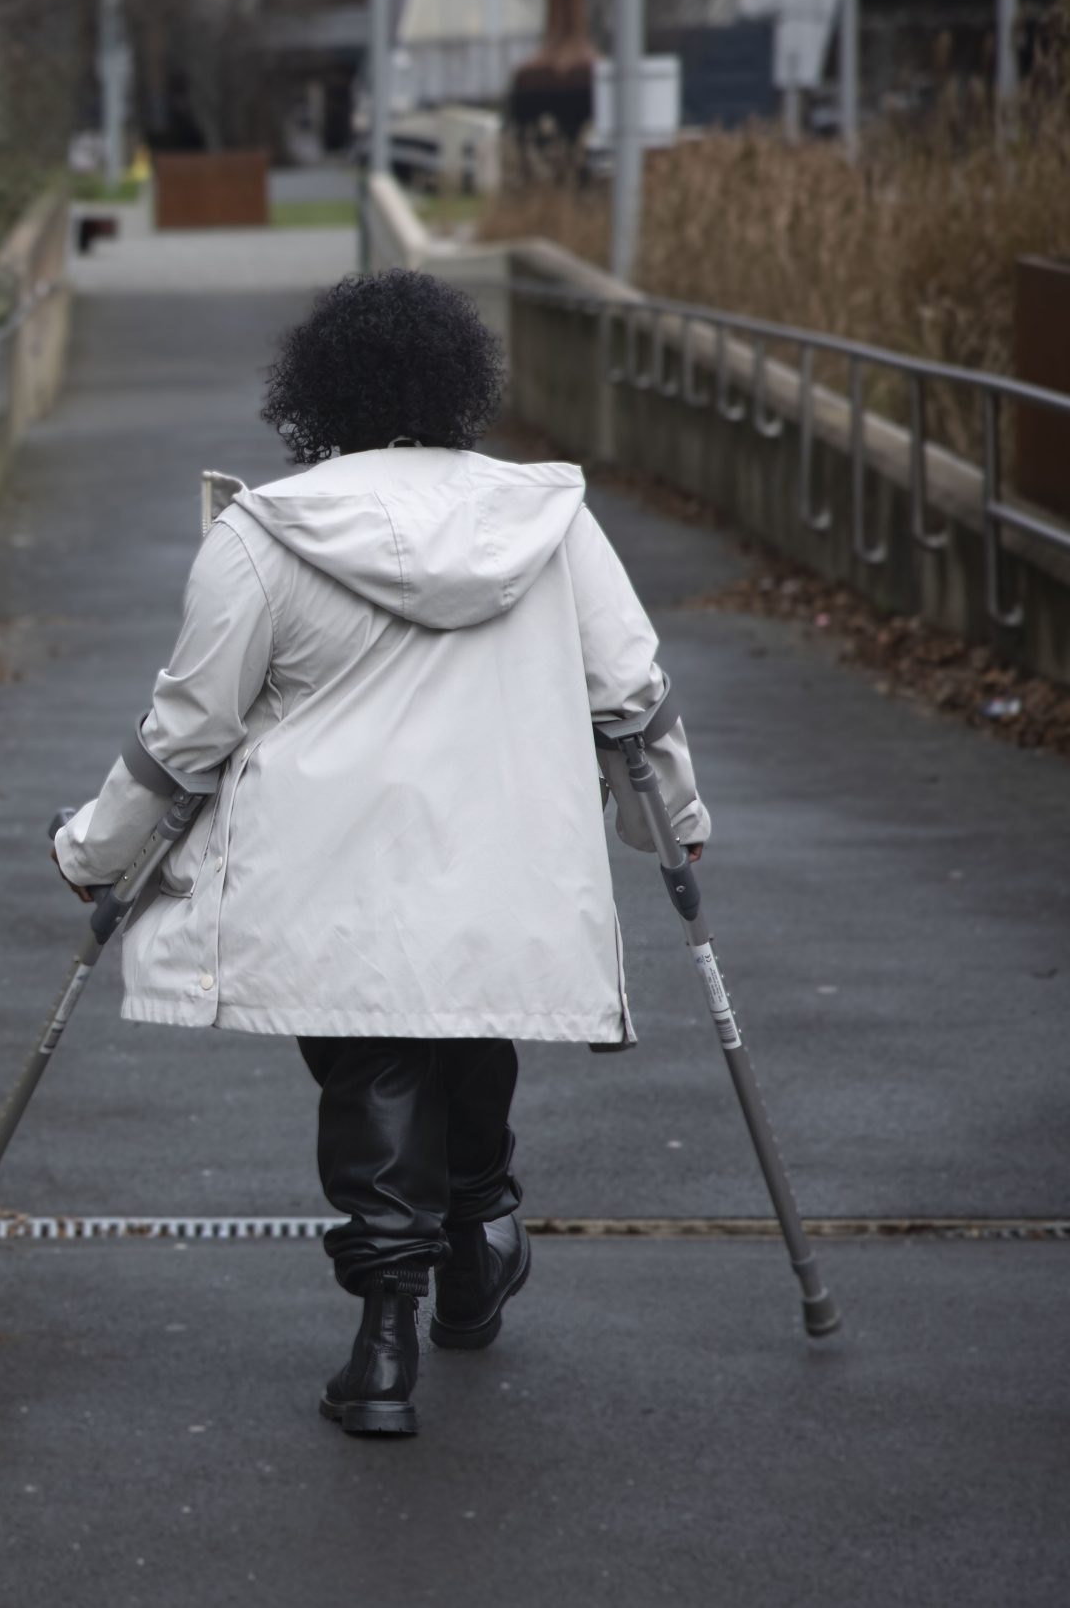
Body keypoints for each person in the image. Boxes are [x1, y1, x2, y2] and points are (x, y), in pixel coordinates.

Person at [49, 270, 709, 1439]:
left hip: (327, 878)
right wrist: (671, 829)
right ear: (462, 385)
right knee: (459, 1033)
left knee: (373, 1063)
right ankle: (480, 1228)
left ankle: (386, 1333)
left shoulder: (266, 535)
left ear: (313, 395)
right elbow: (631, 700)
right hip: (508, 860)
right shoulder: (550, 523)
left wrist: (97, 855)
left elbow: (184, 736)